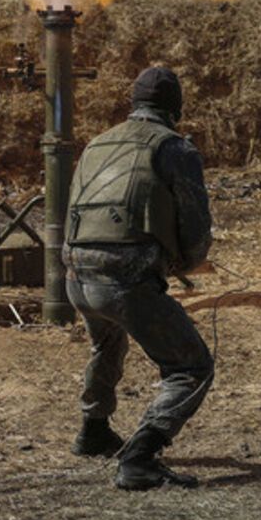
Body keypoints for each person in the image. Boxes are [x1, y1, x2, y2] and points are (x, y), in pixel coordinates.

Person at [63, 65, 214, 490]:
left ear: (133, 103)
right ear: (175, 109)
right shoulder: (174, 149)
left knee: (107, 341)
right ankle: (140, 456)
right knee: (191, 366)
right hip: (126, 280)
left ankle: (93, 429)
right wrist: (180, 264)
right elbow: (197, 231)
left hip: (75, 273)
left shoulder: (96, 144)